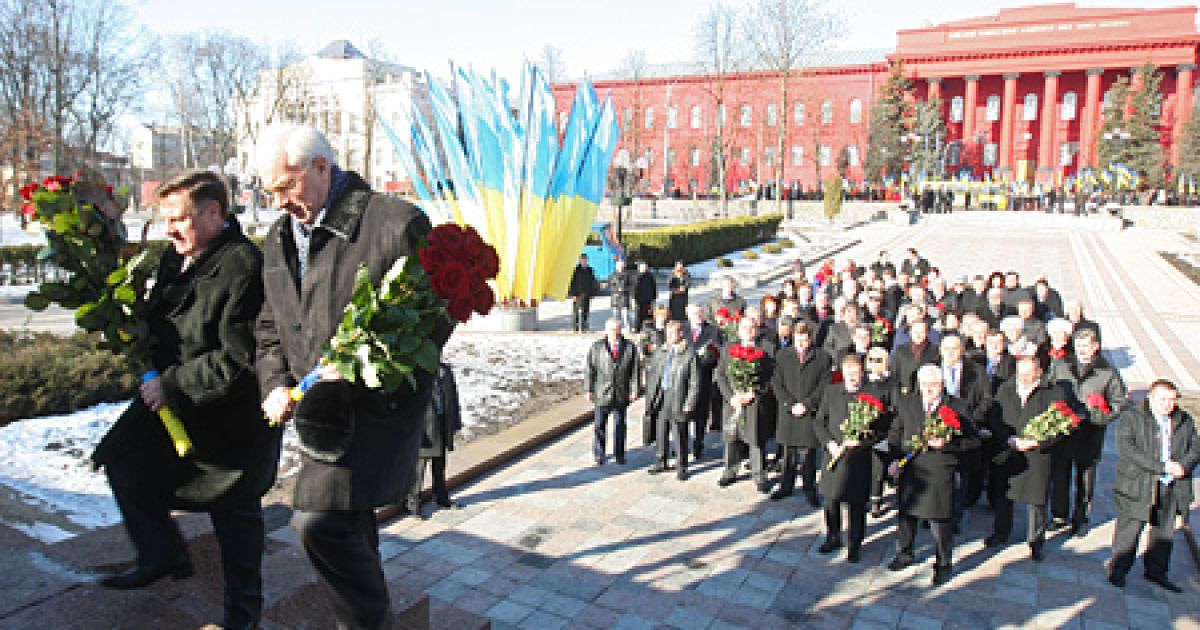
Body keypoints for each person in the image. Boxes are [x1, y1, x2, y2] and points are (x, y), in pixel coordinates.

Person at [254, 124, 453, 628]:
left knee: (317, 522)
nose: (277, 201)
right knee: (348, 525)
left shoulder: (393, 222)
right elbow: (269, 323)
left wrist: (366, 368)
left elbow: (434, 320)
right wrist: (274, 381)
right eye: (268, 191)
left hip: (375, 413)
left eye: (284, 186)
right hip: (317, 416)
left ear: (322, 167)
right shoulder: (278, 239)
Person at [93, 171, 280, 630]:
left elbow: (240, 361)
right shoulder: (175, 257)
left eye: (179, 219)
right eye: (166, 220)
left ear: (214, 213)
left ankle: (243, 614)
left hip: (228, 420)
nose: (170, 230)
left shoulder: (243, 266)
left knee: (234, 519)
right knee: (120, 458)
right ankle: (161, 553)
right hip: (174, 402)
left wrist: (171, 384)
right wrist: (127, 326)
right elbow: (163, 321)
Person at [887, 365, 979, 585]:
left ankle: (943, 562)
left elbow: (973, 440)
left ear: (942, 385)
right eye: (925, 385)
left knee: (940, 520)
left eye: (934, 385)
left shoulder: (957, 406)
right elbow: (896, 432)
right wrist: (894, 458)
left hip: (941, 469)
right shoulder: (908, 403)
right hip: (912, 469)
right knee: (907, 515)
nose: (929, 389)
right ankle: (904, 552)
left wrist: (948, 444)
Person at [1107, 379, 1199, 592]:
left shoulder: (1183, 420)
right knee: (1130, 530)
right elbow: (1127, 448)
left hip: (1171, 486)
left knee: (1164, 531)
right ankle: (1119, 569)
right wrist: (1161, 466)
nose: (1168, 404)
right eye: (1163, 399)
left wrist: (1183, 466)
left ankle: (1157, 571)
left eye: (1172, 400)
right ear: (1150, 397)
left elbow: (1195, 446)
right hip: (1139, 482)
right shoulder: (1133, 417)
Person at [986, 357, 1066, 561]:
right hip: (1009, 449)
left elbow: (1059, 427)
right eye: (1021, 374)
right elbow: (995, 417)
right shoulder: (1006, 388)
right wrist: (1007, 438)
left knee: (1036, 499)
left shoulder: (1053, 392)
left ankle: (1036, 540)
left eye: (1029, 375)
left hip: (1037, 454)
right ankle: (1001, 531)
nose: (1024, 379)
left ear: (1039, 372)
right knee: (1004, 494)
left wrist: (1036, 442)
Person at [1047, 329, 1126, 536]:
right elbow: (1048, 389)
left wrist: (1097, 416)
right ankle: (1059, 515)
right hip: (1063, 431)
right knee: (1059, 474)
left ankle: (1080, 518)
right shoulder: (1062, 365)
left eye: (1086, 346)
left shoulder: (1107, 372)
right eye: (1078, 346)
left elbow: (1118, 403)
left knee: (1085, 478)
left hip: (1089, 432)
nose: (1081, 350)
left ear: (1095, 347)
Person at [815, 354, 889, 563]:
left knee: (856, 504)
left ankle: (855, 543)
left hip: (858, 458)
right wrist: (829, 443)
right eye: (848, 373)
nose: (852, 378)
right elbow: (820, 422)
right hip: (834, 453)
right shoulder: (831, 392)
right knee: (831, 500)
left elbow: (882, 431)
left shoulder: (873, 395)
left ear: (862, 373)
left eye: (856, 373)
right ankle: (833, 536)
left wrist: (862, 442)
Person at [770, 321, 832, 505]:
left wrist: (807, 403)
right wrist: (790, 404)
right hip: (789, 411)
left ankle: (809, 487)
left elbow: (824, 385)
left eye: (805, 340)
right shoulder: (782, 355)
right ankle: (786, 485)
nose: (802, 344)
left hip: (809, 411)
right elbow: (776, 383)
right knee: (788, 452)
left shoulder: (822, 357)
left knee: (809, 454)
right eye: (798, 339)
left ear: (811, 338)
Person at [716, 316, 774, 492]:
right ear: (738, 330)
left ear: (756, 330)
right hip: (733, 402)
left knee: (756, 438)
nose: (748, 331)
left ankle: (759, 474)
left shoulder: (765, 350)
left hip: (754, 403)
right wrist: (730, 396)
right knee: (732, 436)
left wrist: (754, 392)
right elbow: (721, 375)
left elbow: (771, 378)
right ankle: (730, 471)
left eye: (752, 327)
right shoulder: (729, 348)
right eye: (745, 327)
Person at [403, 362, 463, 517]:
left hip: (442, 423)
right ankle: (412, 503)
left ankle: (441, 497)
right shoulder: (414, 372)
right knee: (419, 467)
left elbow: (453, 398)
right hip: (424, 427)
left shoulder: (445, 370)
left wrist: (455, 423)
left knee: (440, 464)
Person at [644, 320, 701, 480]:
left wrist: (690, 401)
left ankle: (681, 466)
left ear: (681, 334)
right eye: (667, 333)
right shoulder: (662, 351)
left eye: (673, 333)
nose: (669, 337)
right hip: (662, 395)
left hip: (679, 396)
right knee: (661, 430)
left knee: (679, 434)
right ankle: (661, 460)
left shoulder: (689, 354)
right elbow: (653, 373)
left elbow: (695, 381)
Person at [586, 318, 641, 465]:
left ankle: (619, 453)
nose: (614, 333)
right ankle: (599, 453)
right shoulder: (597, 347)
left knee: (620, 425)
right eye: (611, 330)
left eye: (617, 330)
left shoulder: (630, 347)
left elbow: (635, 371)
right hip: (602, 392)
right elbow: (590, 370)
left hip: (621, 392)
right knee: (599, 425)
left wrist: (635, 389)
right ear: (606, 331)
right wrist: (589, 389)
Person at [685, 304, 722, 459]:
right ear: (688, 315)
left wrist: (708, 357)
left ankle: (698, 443)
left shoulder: (713, 331)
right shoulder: (683, 329)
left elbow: (719, 352)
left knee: (701, 415)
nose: (698, 316)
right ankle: (683, 443)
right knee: (684, 415)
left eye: (700, 312)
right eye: (694, 313)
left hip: (704, 378)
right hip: (685, 380)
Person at [568, 253, 599, 332]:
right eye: (582, 260)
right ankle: (576, 327)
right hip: (577, 294)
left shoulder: (590, 270)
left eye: (585, 260)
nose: (584, 261)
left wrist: (593, 293)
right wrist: (573, 294)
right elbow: (572, 282)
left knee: (586, 311)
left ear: (587, 260)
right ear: (580, 260)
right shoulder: (576, 270)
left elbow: (593, 282)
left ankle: (584, 326)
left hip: (587, 293)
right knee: (576, 311)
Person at [609, 259, 635, 331]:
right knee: (616, 316)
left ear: (623, 266)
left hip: (624, 297)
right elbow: (610, 286)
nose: (620, 267)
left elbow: (631, 286)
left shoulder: (627, 275)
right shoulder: (612, 275)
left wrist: (624, 289)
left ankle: (628, 328)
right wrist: (617, 289)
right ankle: (616, 329)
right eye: (619, 266)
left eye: (621, 265)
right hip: (615, 298)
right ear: (616, 266)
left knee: (626, 315)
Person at [633, 261, 657, 333]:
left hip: (648, 299)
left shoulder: (650, 276)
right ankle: (638, 329)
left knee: (649, 314)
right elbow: (632, 288)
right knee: (639, 315)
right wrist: (633, 298)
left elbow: (653, 287)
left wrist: (654, 297)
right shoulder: (635, 276)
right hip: (639, 299)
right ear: (639, 268)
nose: (644, 268)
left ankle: (649, 329)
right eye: (642, 267)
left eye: (645, 267)